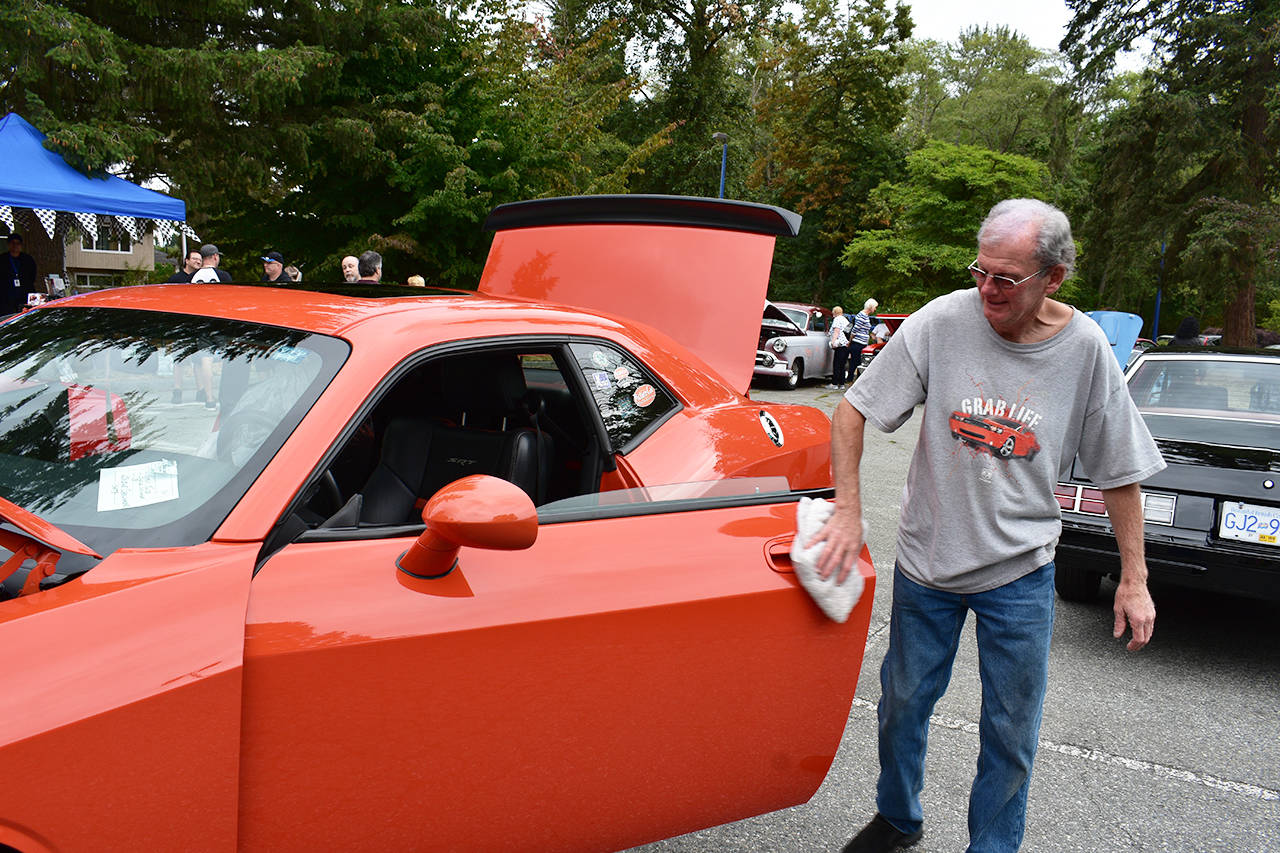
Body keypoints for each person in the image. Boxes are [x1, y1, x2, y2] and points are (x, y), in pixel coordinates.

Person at [812, 199, 1163, 853]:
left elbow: (1120, 469)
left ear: (1052, 277)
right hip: (927, 561)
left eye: (1006, 278)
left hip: (1021, 572)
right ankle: (898, 815)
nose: (987, 289)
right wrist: (849, 508)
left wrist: (1134, 577)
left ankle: (993, 846)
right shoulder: (943, 321)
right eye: (981, 271)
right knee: (902, 703)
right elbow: (852, 410)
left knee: (1010, 728)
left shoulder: (1084, 348)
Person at [3, 234, 37, 315]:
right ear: (8, 244)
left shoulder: (28, 260)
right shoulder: (2, 259)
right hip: (6, 297)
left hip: (24, 294)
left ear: (21, 245)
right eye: (12, 243)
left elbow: (32, 276)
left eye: (18, 243)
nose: (15, 246)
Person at [827, 306, 852, 389]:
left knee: (837, 364)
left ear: (835, 312)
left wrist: (833, 342)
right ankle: (841, 384)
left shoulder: (837, 319)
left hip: (840, 345)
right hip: (846, 344)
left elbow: (836, 331)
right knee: (842, 365)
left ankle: (834, 384)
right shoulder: (845, 319)